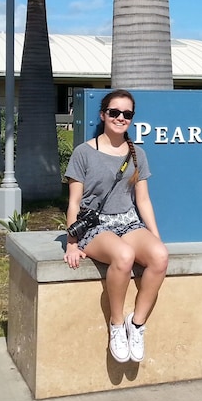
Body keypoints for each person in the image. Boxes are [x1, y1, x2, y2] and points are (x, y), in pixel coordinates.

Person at [63, 89, 168, 364]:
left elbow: (143, 200)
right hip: (96, 226)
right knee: (123, 256)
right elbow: (74, 202)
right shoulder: (83, 153)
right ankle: (117, 323)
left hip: (128, 221)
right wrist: (72, 242)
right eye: (114, 112)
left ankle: (137, 324)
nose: (120, 118)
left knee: (159, 256)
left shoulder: (137, 154)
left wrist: (155, 238)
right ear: (103, 115)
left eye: (127, 114)